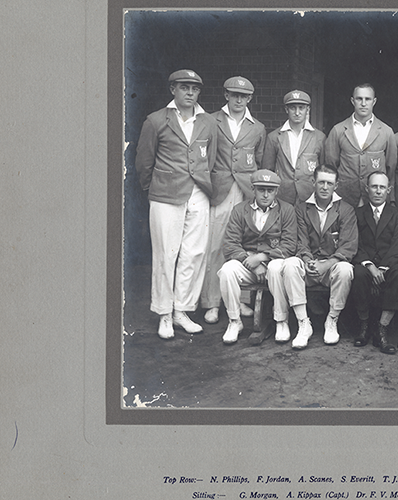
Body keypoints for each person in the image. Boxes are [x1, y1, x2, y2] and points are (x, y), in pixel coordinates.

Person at [134, 69, 218, 339]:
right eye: (184, 88)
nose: (190, 93)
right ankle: (164, 313)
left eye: (194, 89)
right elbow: (144, 161)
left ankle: (182, 310)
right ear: (173, 90)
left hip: (199, 193)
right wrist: (153, 188)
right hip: (166, 195)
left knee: (193, 253)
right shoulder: (156, 120)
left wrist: (202, 184)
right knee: (166, 254)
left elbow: (210, 158)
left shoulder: (208, 121)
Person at [218, 169, 313, 348]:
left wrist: (263, 257)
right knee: (227, 270)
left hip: (272, 264)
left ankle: (281, 320)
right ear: (253, 189)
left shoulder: (286, 210)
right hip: (248, 265)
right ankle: (234, 320)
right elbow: (230, 244)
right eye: (261, 189)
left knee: (276, 267)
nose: (266, 194)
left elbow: (289, 245)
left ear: (277, 191)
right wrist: (252, 262)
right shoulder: (240, 210)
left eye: (270, 190)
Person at [202, 76, 267, 325]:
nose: (239, 99)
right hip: (220, 190)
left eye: (244, 96)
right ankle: (212, 302)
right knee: (216, 245)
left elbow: (259, 162)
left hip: (245, 191)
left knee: (244, 244)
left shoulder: (257, 127)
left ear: (250, 98)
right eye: (234, 94)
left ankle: (239, 300)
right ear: (226, 95)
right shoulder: (210, 120)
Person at [295, 165, 357, 345]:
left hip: (332, 268)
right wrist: (307, 260)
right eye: (321, 182)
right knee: (290, 264)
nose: (324, 187)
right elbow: (300, 241)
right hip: (309, 267)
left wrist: (327, 264)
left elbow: (348, 246)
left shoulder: (345, 209)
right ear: (313, 182)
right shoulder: (302, 208)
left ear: (336, 185)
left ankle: (332, 319)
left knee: (345, 269)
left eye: (329, 183)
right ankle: (303, 322)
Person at [350, 171, 398, 354]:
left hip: (388, 264)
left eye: (382, 187)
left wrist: (383, 267)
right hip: (366, 263)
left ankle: (382, 329)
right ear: (367, 189)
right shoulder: (358, 213)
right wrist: (369, 265)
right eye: (374, 186)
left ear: (388, 190)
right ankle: (364, 325)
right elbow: (353, 242)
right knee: (358, 274)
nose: (378, 191)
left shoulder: (397, 214)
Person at [324, 83, 398, 208]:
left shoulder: (386, 132)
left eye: (367, 99)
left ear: (374, 101)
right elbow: (331, 165)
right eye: (359, 99)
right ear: (353, 101)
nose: (363, 103)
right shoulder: (338, 130)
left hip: (374, 200)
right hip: (345, 196)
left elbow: (390, 167)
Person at [261, 89, 326, 206]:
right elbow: (267, 169)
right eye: (293, 108)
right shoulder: (274, 137)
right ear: (286, 109)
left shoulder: (319, 137)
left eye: (301, 108)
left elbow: (323, 170)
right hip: (283, 196)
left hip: (309, 195)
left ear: (308, 110)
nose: (297, 112)